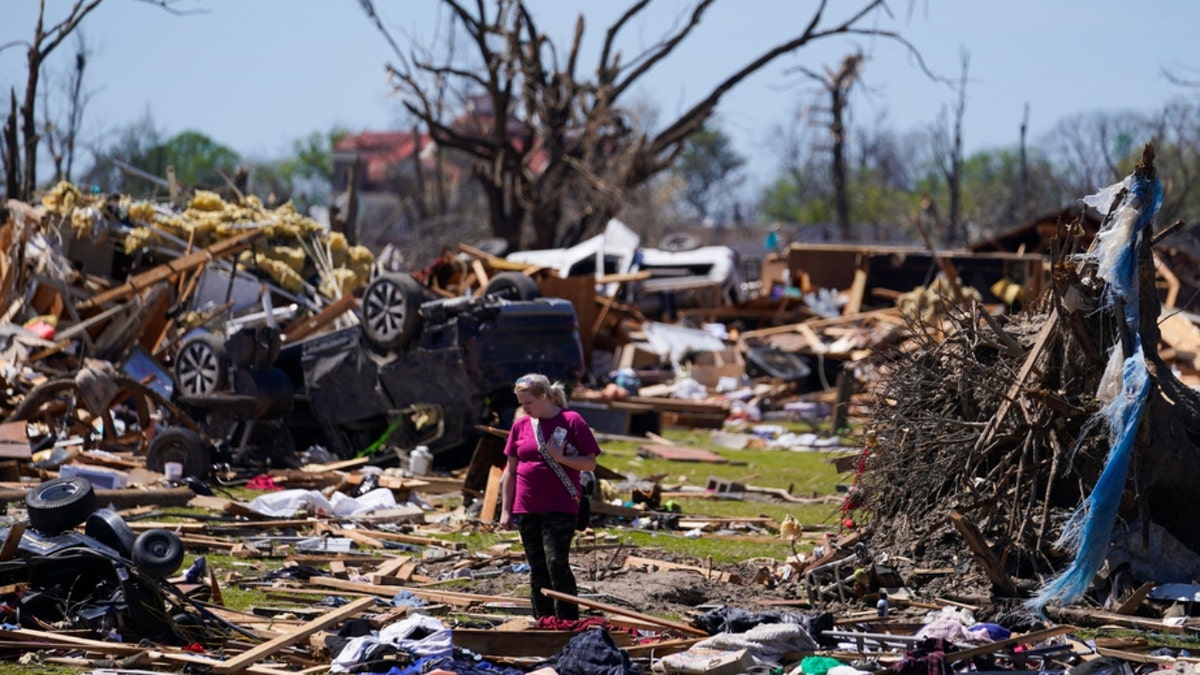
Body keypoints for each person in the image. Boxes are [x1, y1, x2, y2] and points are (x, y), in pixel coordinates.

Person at [500, 373, 601, 620]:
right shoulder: (520, 426)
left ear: (544, 396)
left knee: (557, 563)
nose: (524, 409)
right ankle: (543, 620)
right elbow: (510, 471)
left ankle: (567, 620)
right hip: (526, 507)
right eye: (521, 403)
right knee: (537, 568)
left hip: (560, 506)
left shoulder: (571, 421)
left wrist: (562, 458)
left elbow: (590, 464)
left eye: (528, 403)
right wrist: (506, 509)